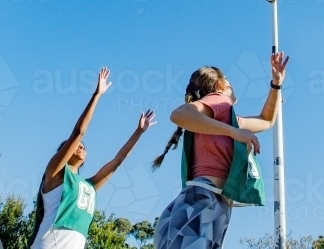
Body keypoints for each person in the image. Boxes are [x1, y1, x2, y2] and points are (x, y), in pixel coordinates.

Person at [152, 53, 290, 249]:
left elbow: (266, 120)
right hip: (202, 202)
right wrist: (233, 132)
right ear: (220, 86)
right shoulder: (220, 100)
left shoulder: (228, 120)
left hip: (196, 203)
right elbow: (179, 114)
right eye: (229, 82)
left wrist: (276, 85)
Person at [29, 68, 155, 249]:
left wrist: (139, 132)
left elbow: (117, 161)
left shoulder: (89, 186)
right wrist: (97, 95)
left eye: (83, 147)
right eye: (76, 145)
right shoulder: (55, 173)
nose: (81, 146)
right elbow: (79, 132)